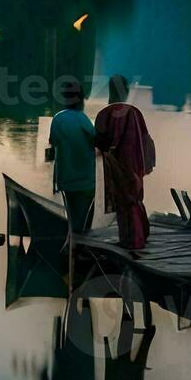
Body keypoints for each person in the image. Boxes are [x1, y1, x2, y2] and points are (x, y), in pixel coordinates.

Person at [95, 75, 156, 251]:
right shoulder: (135, 112)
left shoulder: (105, 114)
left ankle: (130, 241)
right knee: (136, 199)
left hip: (118, 165)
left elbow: (101, 141)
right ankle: (140, 237)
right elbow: (147, 140)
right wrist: (147, 164)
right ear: (126, 91)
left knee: (123, 202)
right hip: (136, 164)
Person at [48, 79, 97, 234]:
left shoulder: (58, 119)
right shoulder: (83, 120)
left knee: (71, 218)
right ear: (81, 99)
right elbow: (96, 142)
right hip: (86, 180)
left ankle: (72, 248)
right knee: (82, 223)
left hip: (66, 179)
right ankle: (79, 250)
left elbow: (52, 143)